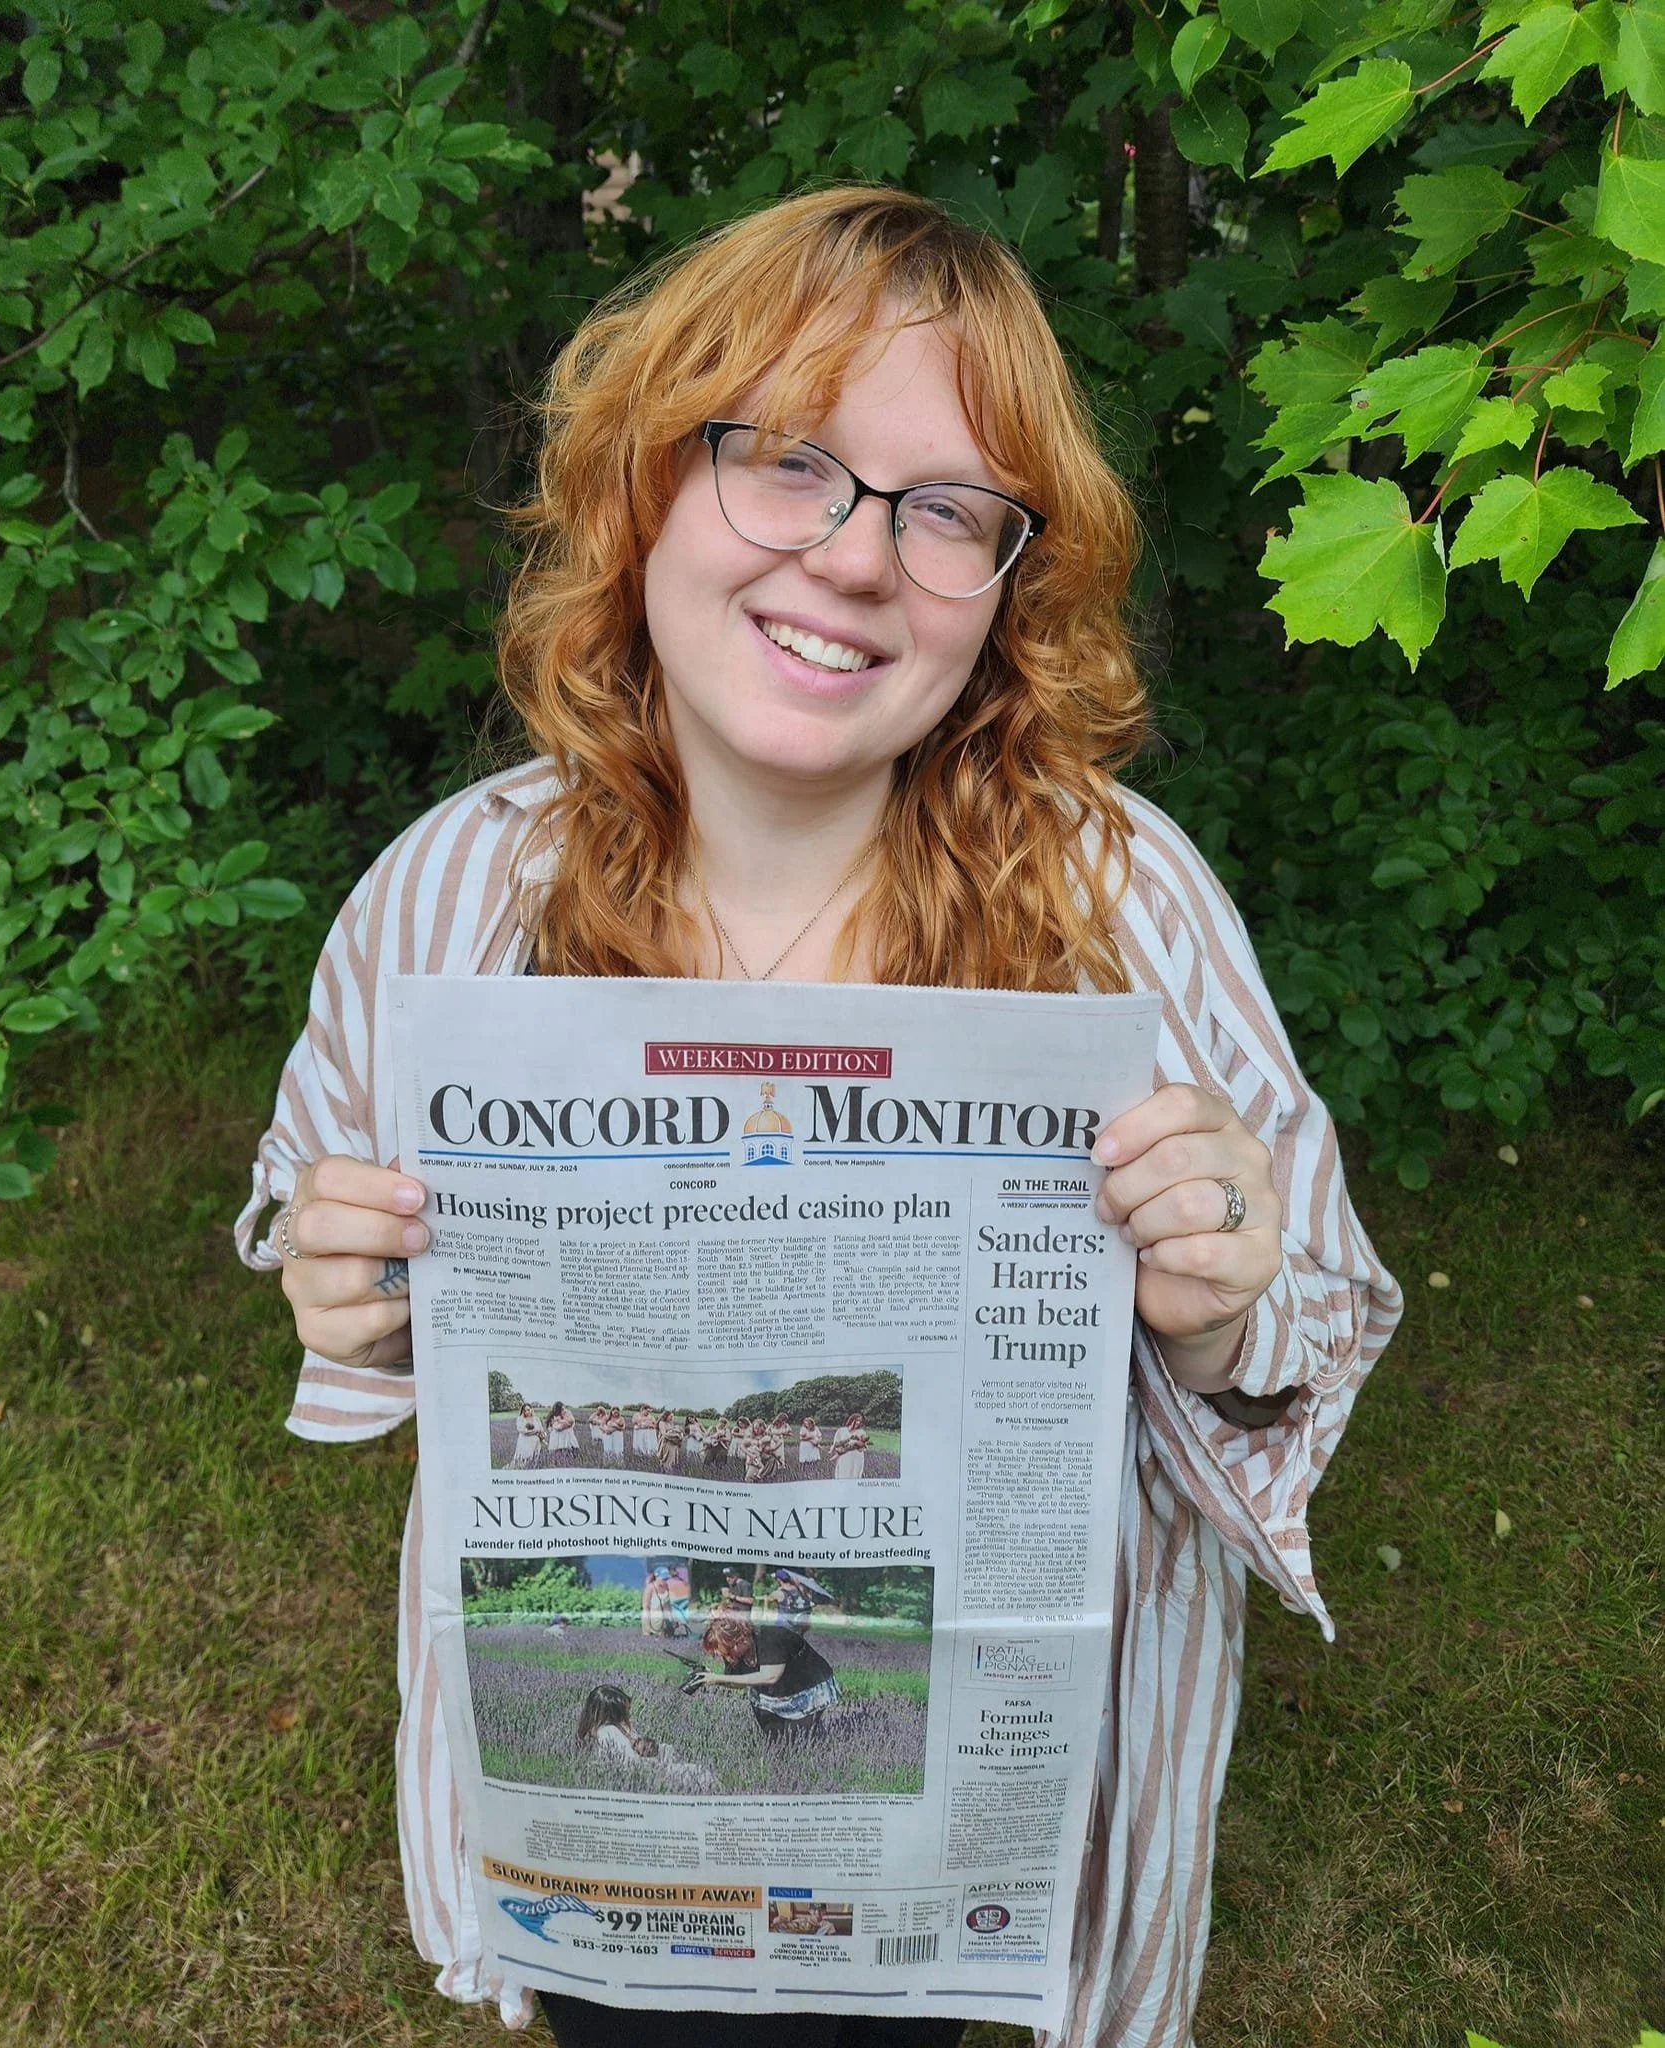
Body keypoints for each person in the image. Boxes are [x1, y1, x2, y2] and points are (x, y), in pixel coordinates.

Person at [241, 186, 1401, 2048]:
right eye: (784, 461)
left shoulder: (1122, 900)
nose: (856, 557)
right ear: (646, 485)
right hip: (610, 1862)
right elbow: (312, 1203)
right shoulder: (449, 891)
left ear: (1011, 581)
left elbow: (1316, 1311)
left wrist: (1221, 1307)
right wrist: (337, 1278)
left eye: (948, 508)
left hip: (975, 1858)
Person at [693, 1617, 840, 1740]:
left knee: (797, 1742)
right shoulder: (733, 1654)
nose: (726, 1658)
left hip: (806, 1689)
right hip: (771, 1695)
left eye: (726, 1652)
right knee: (774, 1742)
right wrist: (711, 1679)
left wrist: (718, 1678)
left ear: (740, 1639)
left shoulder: (771, 1638)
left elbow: (770, 1676)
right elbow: (738, 1683)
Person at [576, 1684, 716, 1792]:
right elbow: (631, 1765)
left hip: (651, 1771)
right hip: (648, 1775)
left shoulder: (619, 1728)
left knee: (698, 1771)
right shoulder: (609, 1732)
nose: (628, 1712)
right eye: (625, 1709)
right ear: (613, 1712)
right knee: (700, 1774)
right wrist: (661, 1763)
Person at [830, 1412, 868, 1480]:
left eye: (860, 1421)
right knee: (843, 1474)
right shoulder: (842, 1430)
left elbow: (863, 1445)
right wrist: (840, 1449)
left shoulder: (862, 1432)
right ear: (851, 1420)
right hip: (845, 1457)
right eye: (856, 1420)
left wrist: (856, 1442)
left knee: (855, 1475)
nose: (858, 1423)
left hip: (857, 1457)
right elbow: (836, 1443)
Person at [509, 1403, 543, 1468]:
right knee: (524, 1458)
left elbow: (541, 1429)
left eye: (528, 1410)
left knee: (535, 1458)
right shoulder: (520, 1419)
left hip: (535, 1442)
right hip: (525, 1442)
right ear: (522, 1411)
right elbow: (522, 1431)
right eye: (524, 1410)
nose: (527, 1412)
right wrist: (535, 1431)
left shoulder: (536, 1418)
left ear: (531, 1409)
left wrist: (541, 1433)